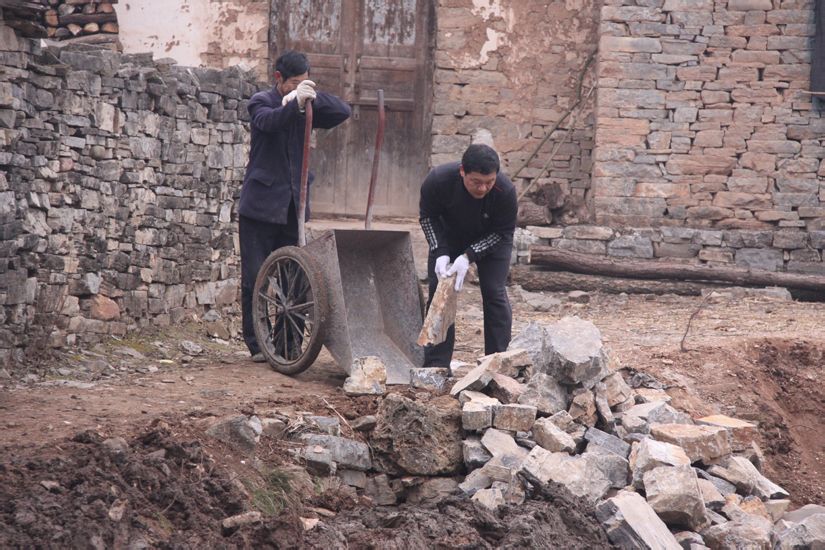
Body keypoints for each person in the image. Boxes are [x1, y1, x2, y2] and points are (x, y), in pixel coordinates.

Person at [239, 50, 351, 362]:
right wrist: (292, 105)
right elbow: (268, 122)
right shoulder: (262, 101)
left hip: (293, 208)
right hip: (260, 207)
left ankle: (287, 346)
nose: (299, 86)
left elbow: (342, 111)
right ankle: (258, 346)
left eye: (304, 81)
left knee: (297, 279)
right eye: (295, 82)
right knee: (255, 278)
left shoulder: (306, 105)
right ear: (279, 79)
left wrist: (310, 96)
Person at [419, 143, 518, 367]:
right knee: (440, 288)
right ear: (462, 171)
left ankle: (497, 361)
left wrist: (468, 256)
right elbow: (427, 217)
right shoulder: (438, 181)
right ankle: (436, 364)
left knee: (493, 290)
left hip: (492, 238)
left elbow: (502, 233)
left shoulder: (505, 192)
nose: (483, 188)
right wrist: (441, 252)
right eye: (476, 182)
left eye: (489, 182)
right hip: (449, 235)